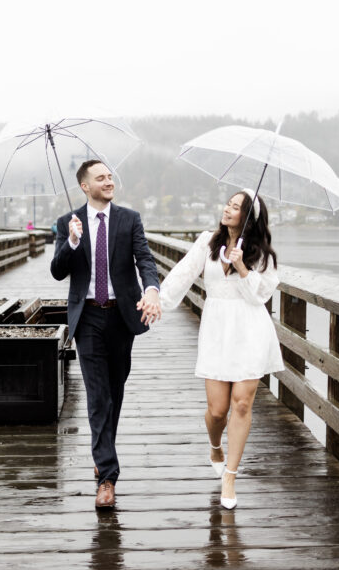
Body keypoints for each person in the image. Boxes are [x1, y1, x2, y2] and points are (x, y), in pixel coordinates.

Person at [156, 189, 282, 509]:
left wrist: (242, 268)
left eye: (236, 207)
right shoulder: (208, 242)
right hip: (216, 329)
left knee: (242, 404)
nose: (227, 209)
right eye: (227, 203)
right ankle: (215, 446)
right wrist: (160, 300)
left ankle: (230, 475)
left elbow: (261, 297)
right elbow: (184, 272)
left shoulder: (262, 255)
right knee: (217, 411)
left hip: (249, 329)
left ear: (248, 217)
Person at [50, 159, 162, 510]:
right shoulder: (67, 223)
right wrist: (70, 242)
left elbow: (144, 259)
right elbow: (57, 271)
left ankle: (103, 452)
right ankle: (107, 478)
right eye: (100, 178)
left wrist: (153, 290)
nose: (108, 181)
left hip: (121, 316)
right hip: (88, 318)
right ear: (85, 186)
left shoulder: (129, 219)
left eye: (110, 176)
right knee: (98, 397)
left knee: (114, 393)